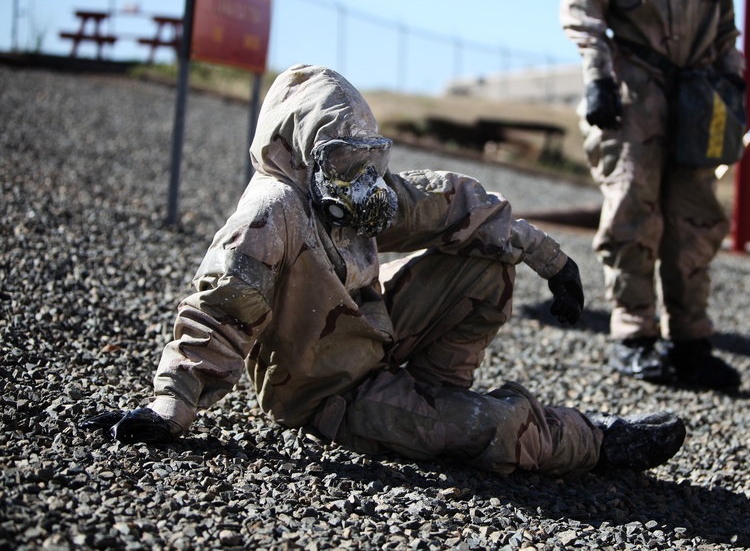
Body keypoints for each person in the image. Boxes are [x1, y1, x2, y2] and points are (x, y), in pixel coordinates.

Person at [80, 64, 686, 475]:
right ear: (300, 149)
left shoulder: (351, 192)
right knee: (490, 429)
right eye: (340, 159)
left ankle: (434, 394)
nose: (359, 177)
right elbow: (219, 312)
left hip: (371, 336)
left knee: (486, 263)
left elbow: (450, 203)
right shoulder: (273, 213)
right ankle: (596, 440)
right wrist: (171, 408)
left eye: (364, 157)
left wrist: (547, 258)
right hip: (328, 390)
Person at [560, 0, 744, 389]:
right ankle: (633, 338)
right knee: (633, 210)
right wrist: (598, 76)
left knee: (696, 216)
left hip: (699, 90)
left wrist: (731, 75)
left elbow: (724, 7)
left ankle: (689, 342)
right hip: (631, 83)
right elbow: (584, 0)